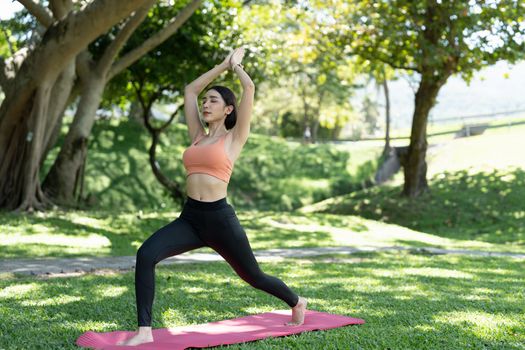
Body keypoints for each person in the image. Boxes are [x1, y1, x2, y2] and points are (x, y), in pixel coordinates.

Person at [118, 48, 307, 346]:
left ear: (228, 109)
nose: (205, 103)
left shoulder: (235, 137)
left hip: (220, 219)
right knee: (146, 254)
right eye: (205, 101)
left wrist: (236, 65)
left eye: (213, 100)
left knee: (253, 276)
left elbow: (249, 87)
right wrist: (221, 65)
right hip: (190, 218)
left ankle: (296, 301)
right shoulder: (198, 134)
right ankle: (144, 330)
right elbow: (190, 89)